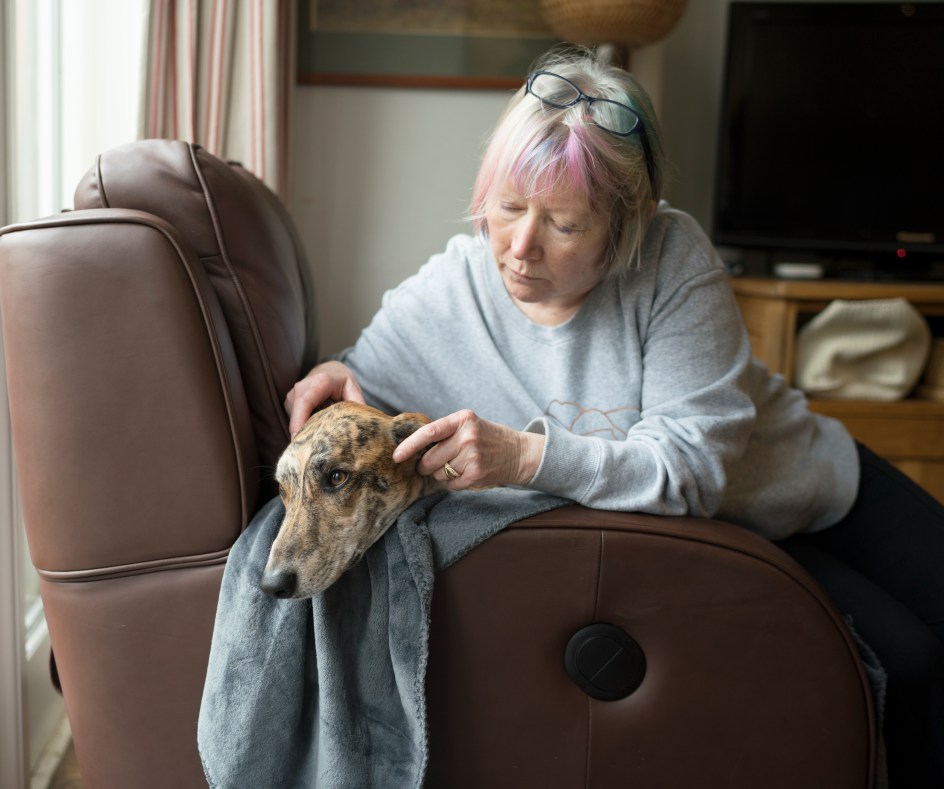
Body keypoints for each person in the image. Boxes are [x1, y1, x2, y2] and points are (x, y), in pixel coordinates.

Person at [285, 46, 944, 784]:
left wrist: (527, 457)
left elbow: (690, 471)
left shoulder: (671, 259)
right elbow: (364, 389)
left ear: (630, 223)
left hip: (811, 488)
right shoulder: (453, 286)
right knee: (910, 662)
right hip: (721, 539)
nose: (520, 248)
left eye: (564, 225)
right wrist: (335, 372)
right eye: (506, 207)